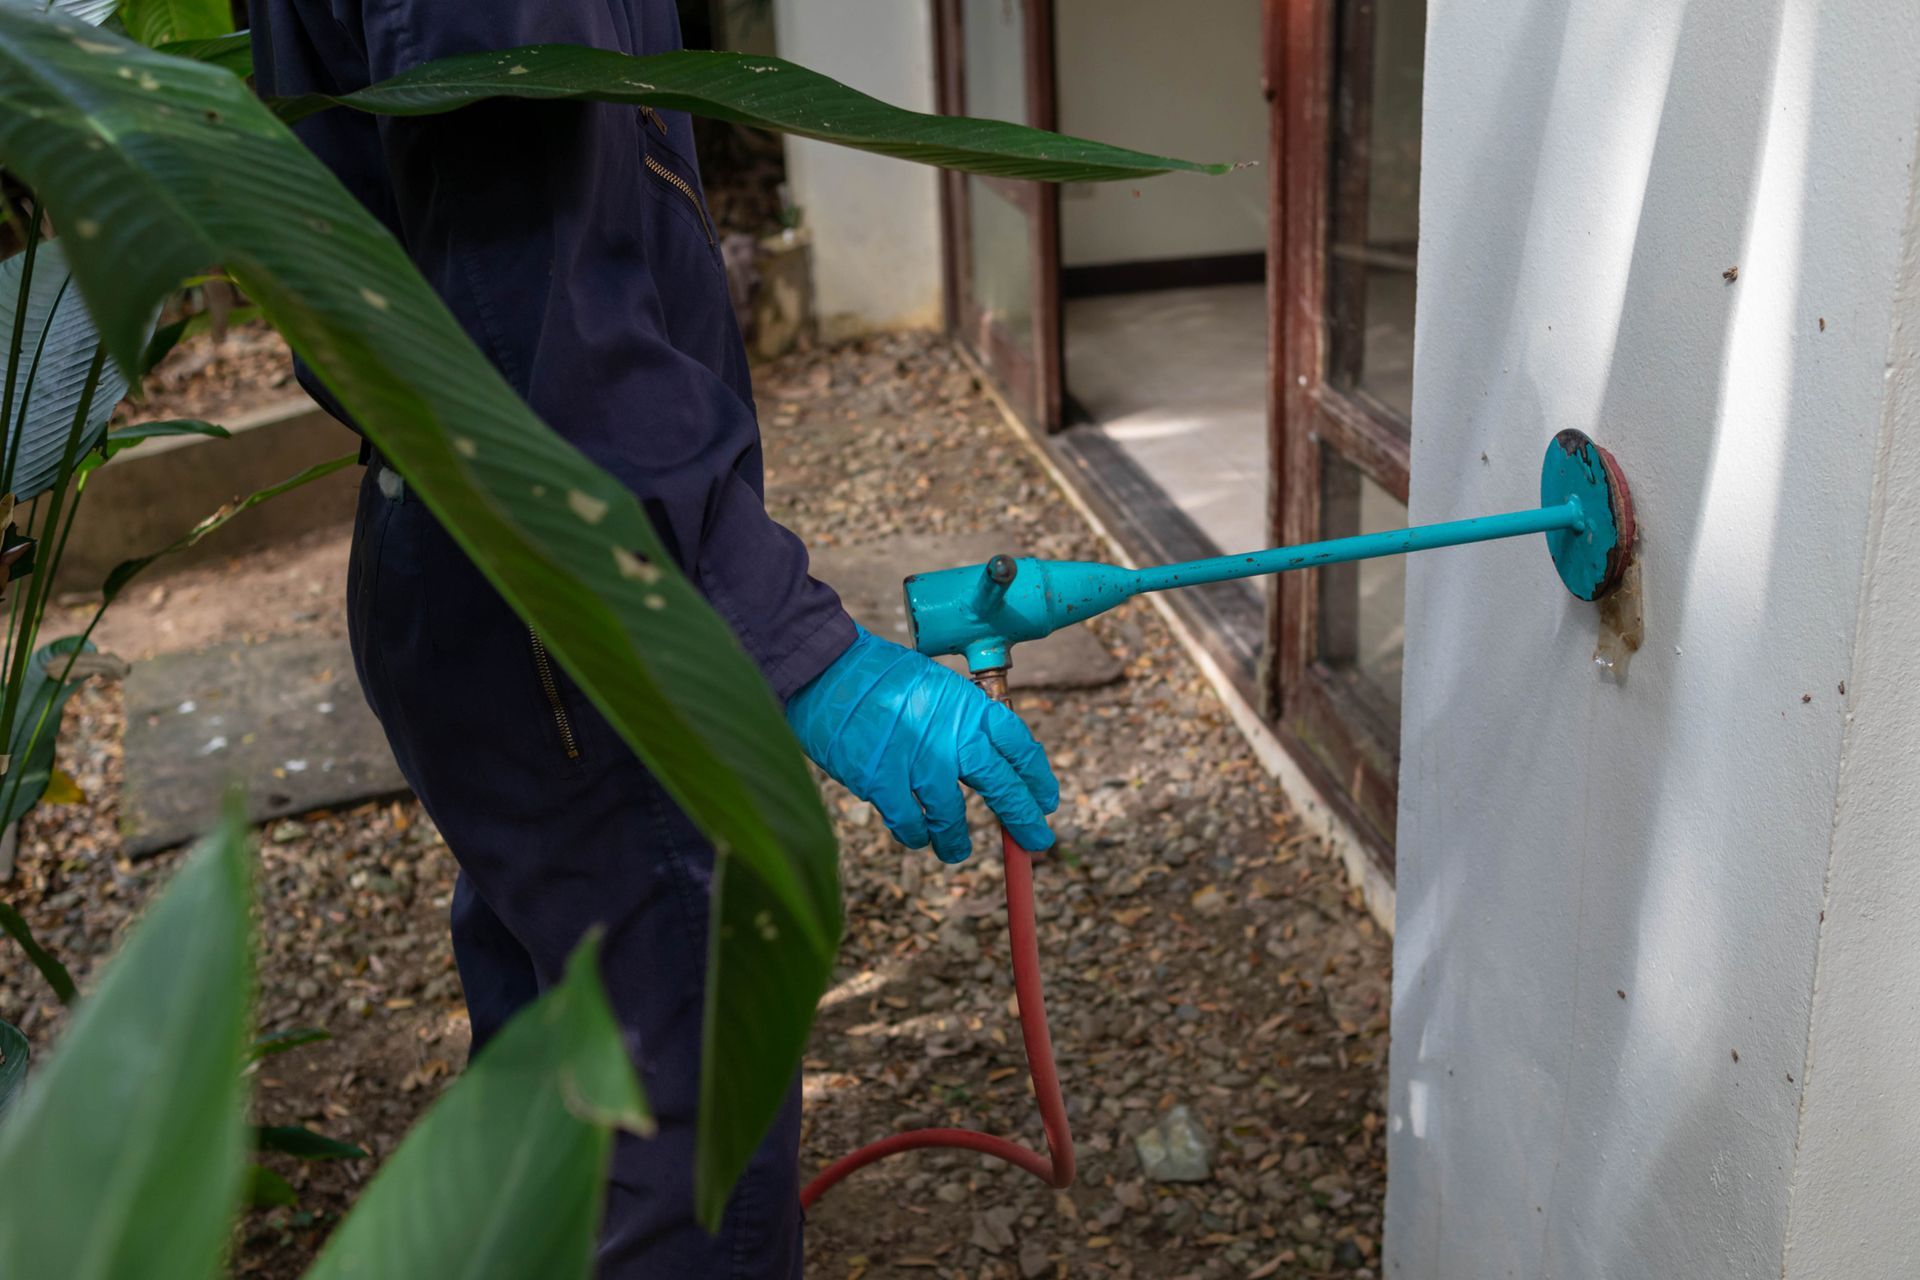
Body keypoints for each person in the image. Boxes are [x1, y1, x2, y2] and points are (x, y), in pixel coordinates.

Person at [251, 2, 1060, 1275]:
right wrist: (801, 648)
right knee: (685, 1126)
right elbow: (535, 346)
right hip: (570, 590)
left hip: (471, 555)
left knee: (573, 1069)